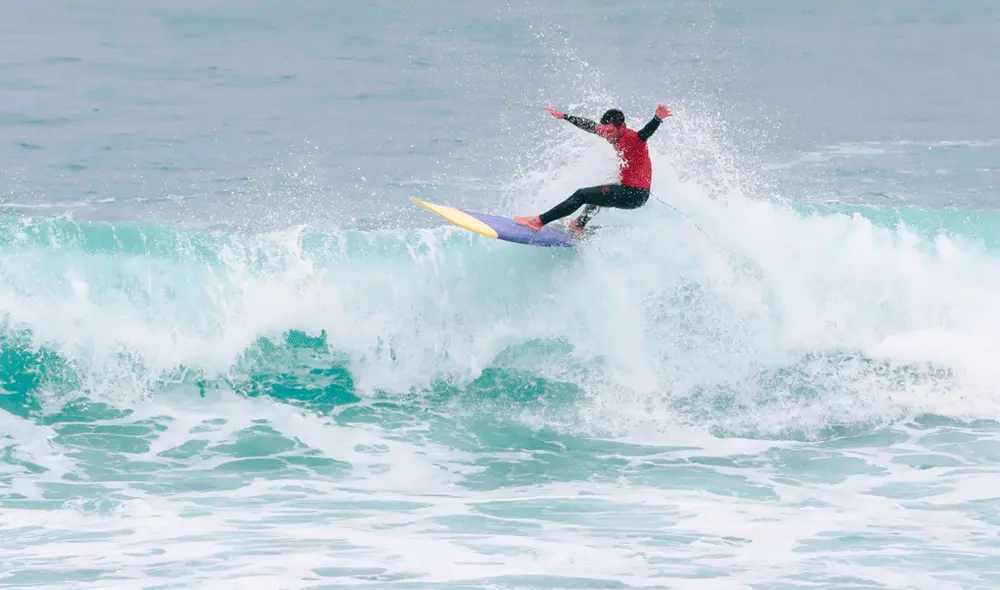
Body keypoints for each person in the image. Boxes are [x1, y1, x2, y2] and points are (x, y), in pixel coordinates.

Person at [514, 103, 672, 233]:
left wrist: (657, 118)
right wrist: (564, 116)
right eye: (605, 131)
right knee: (598, 193)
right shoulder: (611, 132)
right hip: (629, 190)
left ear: (622, 127)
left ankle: (538, 222)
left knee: (582, 194)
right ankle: (579, 225)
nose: (607, 135)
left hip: (635, 195)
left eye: (610, 131)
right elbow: (589, 126)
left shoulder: (633, 138)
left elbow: (646, 132)